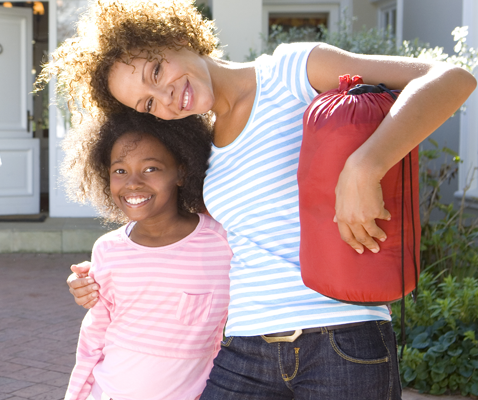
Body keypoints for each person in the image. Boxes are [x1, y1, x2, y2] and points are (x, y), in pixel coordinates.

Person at [39, 0, 476, 398]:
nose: (165, 99)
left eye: (156, 72)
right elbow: (182, 231)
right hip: (245, 347)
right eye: (148, 104)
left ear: (175, 36)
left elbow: (450, 78)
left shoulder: (292, 71)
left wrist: (365, 166)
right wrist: (104, 269)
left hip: (342, 337)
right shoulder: (202, 143)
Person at [60, 109, 230, 400]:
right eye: (120, 170)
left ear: (181, 170)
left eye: (150, 168)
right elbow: (94, 336)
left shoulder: (222, 243)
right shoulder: (107, 249)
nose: (133, 182)